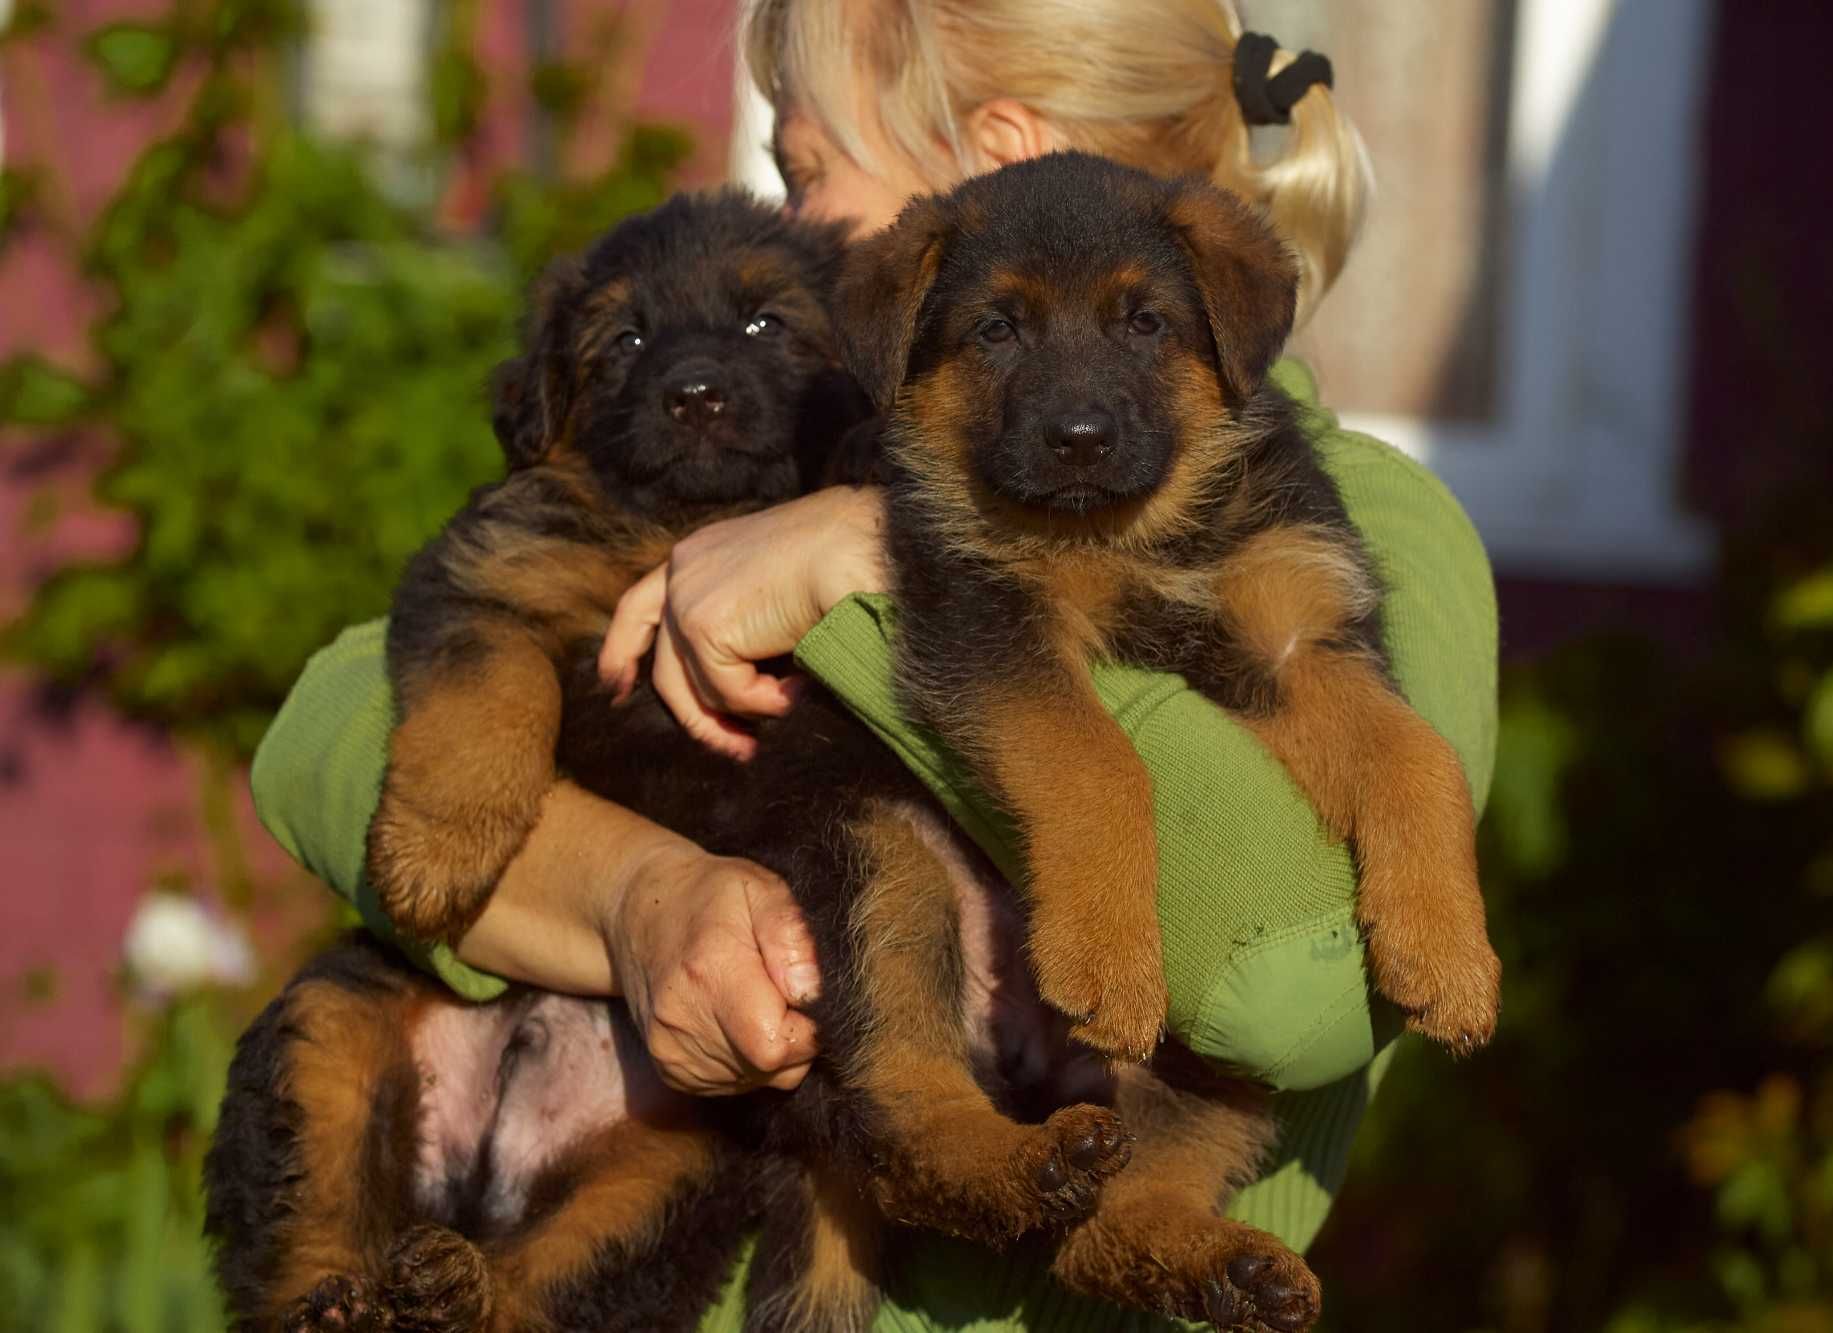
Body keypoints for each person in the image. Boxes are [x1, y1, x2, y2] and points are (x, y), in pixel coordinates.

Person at [249, 0, 1499, 1325]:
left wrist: (860, 564)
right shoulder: (816, 452)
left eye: (806, 169)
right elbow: (329, 725)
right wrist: (634, 895)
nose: (782, 220)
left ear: (989, 153)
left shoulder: (1383, 517)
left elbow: (1286, 980)